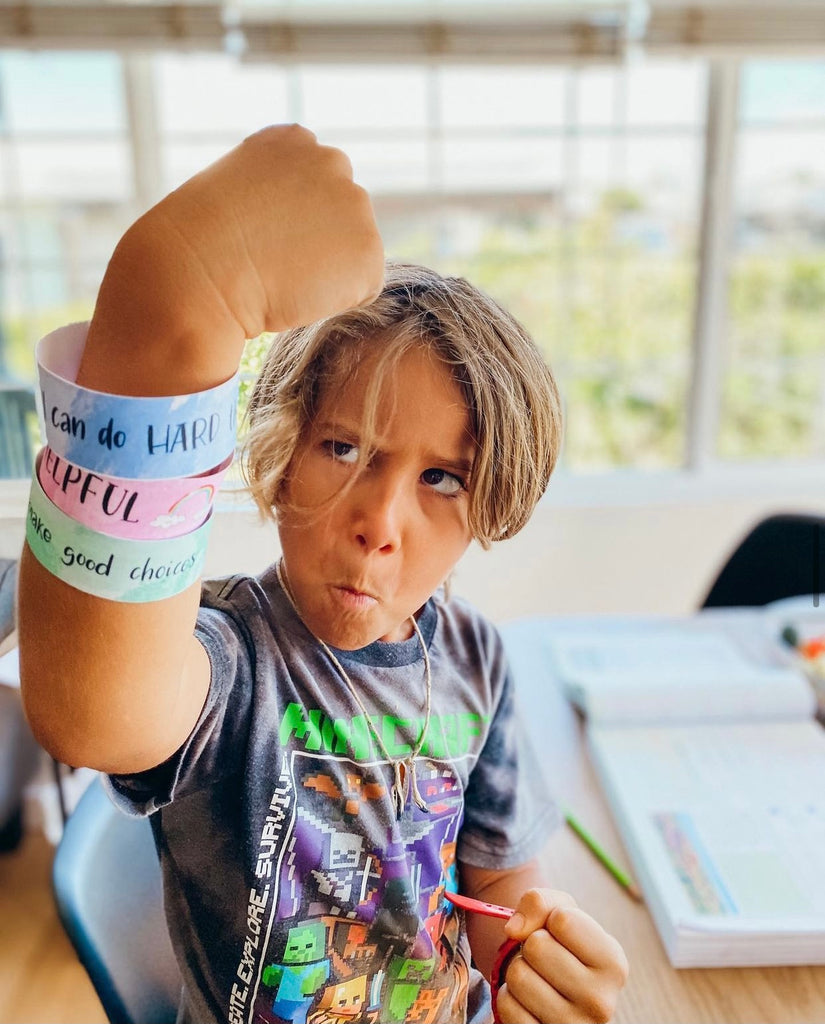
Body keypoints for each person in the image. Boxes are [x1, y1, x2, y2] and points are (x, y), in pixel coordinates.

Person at [19, 125, 628, 1024]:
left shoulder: (474, 658)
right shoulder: (230, 658)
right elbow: (91, 709)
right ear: (282, 450)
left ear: (488, 499)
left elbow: (496, 875)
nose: (378, 524)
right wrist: (181, 290)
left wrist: (537, 961)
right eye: (343, 448)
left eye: (441, 479)